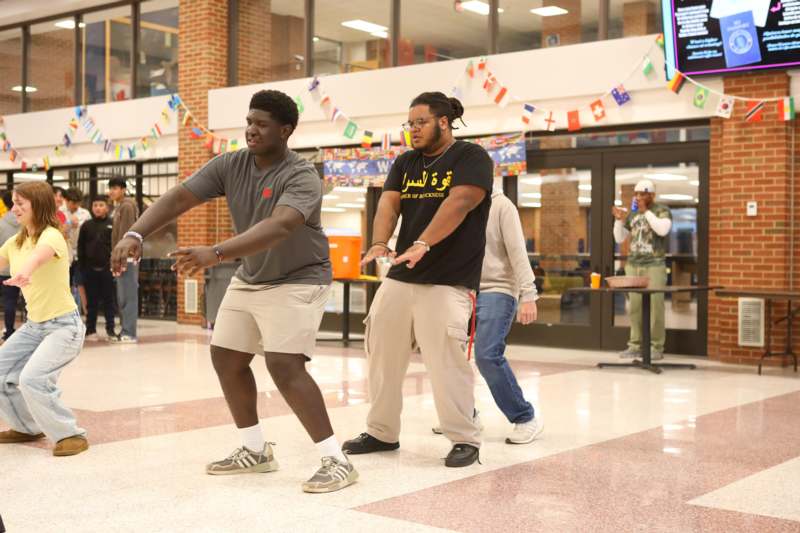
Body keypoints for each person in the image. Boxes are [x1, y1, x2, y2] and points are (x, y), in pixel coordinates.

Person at [111, 89, 358, 493]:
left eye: (261, 124)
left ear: (286, 130)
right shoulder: (231, 164)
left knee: (284, 365)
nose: (251, 130)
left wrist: (217, 251)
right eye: (249, 122)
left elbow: (280, 226)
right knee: (226, 356)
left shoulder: (301, 174)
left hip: (300, 277)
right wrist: (137, 231)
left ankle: (336, 459)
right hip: (253, 276)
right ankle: (255, 450)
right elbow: (179, 197)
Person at [342, 92, 493, 468]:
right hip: (402, 273)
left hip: (449, 278)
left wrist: (425, 241)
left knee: (446, 363)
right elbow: (389, 204)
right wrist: (379, 242)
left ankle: (464, 439)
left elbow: (460, 201)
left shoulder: (471, 158)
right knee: (381, 352)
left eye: (420, 122)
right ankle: (381, 431)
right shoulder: (406, 162)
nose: (413, 130)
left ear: (443, 122)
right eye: (409, 124)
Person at [0, 182, 88, 456]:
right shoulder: (16, 241)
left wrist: (25, 271)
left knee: (32, 378)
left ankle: (70, 434)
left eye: (19, 203)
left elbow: (38, 258)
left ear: (37, 205)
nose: (13, 208)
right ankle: (26, 426)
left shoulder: (52, 236)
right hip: (34, 326)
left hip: (64, 327)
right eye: (14, 202)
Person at [612, 179, 673, 360]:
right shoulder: (633, 213)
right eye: (637, 193)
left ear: (652, 195)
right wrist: (618, 220)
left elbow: (662, 230)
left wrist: (645, 211)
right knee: (635, 307)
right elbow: (619, 238)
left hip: (654, 264)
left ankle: (656, 346)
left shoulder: (661, 210)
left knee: (656, 306)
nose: (639, 197)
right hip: (634, 264)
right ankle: (635, 345)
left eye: (643, 194)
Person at [78, 195, 115, 342]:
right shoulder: (86, 225)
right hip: (90, 270)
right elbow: (81, 247)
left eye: (101, 205)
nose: (98, 208)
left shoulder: (113, 223)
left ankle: (110, 329)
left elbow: (115, 245)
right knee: (91, 302)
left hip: (107, 269)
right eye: (95, 205)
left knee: (109, 301)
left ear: (106, 207)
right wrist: (82, 268)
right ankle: (90, 329)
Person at [108, 177, 140, 343]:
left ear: (123, 189)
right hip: (121, 257)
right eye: (110, 188)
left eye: (115, 188)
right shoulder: (120, 206)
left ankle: (129, 332)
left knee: (128, 297)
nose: (112, 191)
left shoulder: (126, 206)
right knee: (123, 296)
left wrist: (121, 256)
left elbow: (126, 234)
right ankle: (125, 331)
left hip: (126, 258)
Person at [61, 188, 91, 313]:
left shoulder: (85, 214)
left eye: (78, 203)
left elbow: (89, 233)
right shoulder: (60, 213)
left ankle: (85, 313)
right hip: (64, 254)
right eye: (73, 203)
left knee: (81, 284)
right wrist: (68, 225)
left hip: (80, 254)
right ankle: (64, 313)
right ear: (66, 201)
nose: (75, 206)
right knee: (64, 284)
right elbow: (57, 233)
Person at [0, 191, 21, 341]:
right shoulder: (25, 222)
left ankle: (9, 331)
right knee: (28, 301)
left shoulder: (1, 223)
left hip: (4, 268)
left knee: (8, 301)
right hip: (24, 267)